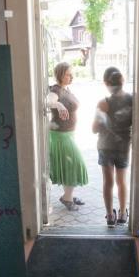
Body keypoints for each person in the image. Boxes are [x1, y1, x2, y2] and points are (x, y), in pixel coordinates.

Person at [92, 67, 133, 227]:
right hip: (123, 146)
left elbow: (94, 128)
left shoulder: (103, 103)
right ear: (122, 81)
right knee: (121, 181)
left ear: (107, 83)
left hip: (105, 146)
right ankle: (123, 214)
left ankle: (110, 216)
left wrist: (104, 122)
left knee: (107, 182)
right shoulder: (131, 99)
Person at [47, 62, 88, 211]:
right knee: (75, 164)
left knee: (68, 166)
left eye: (72, 74)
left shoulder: (66, 89)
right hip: (61, 136)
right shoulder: (55, 90)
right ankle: (67, 198)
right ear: (60, 74)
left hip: (68, 134)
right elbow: (48, 101)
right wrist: (58, 105)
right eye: (68, 74)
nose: (72, 77)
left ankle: (68, 195)